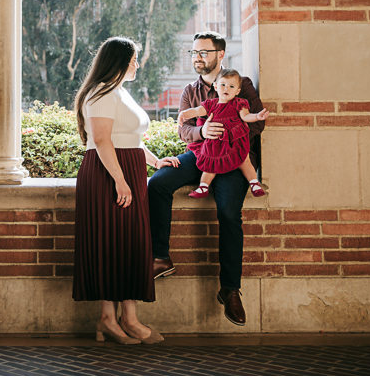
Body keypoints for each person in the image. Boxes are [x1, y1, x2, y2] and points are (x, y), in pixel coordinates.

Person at [147, 31, 266, 328]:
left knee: (228, 212)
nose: (198, 57)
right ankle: (160, 257)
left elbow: (257, 125)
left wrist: (229, 138)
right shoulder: (191, 90)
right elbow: (183, 128)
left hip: (234, 159)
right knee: (158, 183)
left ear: (221, 54)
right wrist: (202, 133)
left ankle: (230, 289)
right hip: (201, 155)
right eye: (194, 53)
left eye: (204, 52)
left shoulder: (243, 86)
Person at [73, 36, 180, 345]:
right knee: (111, 244)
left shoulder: (120, 93)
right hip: (108, 176)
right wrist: (120, 181)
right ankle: (108, 318)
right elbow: (103, 140)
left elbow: (129, 138)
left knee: (130, 245)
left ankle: (129, 318)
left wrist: (156, 162)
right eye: (133, 58)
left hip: (126, 172)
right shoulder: (102, 93)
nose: (136, 64)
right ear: (119, 61)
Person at [179, 67, 269, 198]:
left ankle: (254, 183)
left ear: (238, 91)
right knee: (210, 164)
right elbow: (197, 111)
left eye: (231, 86)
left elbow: (245, 116)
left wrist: (257, 117)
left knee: (245, 160)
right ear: (216, 86)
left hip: (235, 140)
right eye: (223, 85)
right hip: (216, 141)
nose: (226, 88)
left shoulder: (238, 103)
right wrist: (184, 113)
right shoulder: (211, 105)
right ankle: (203, 187)